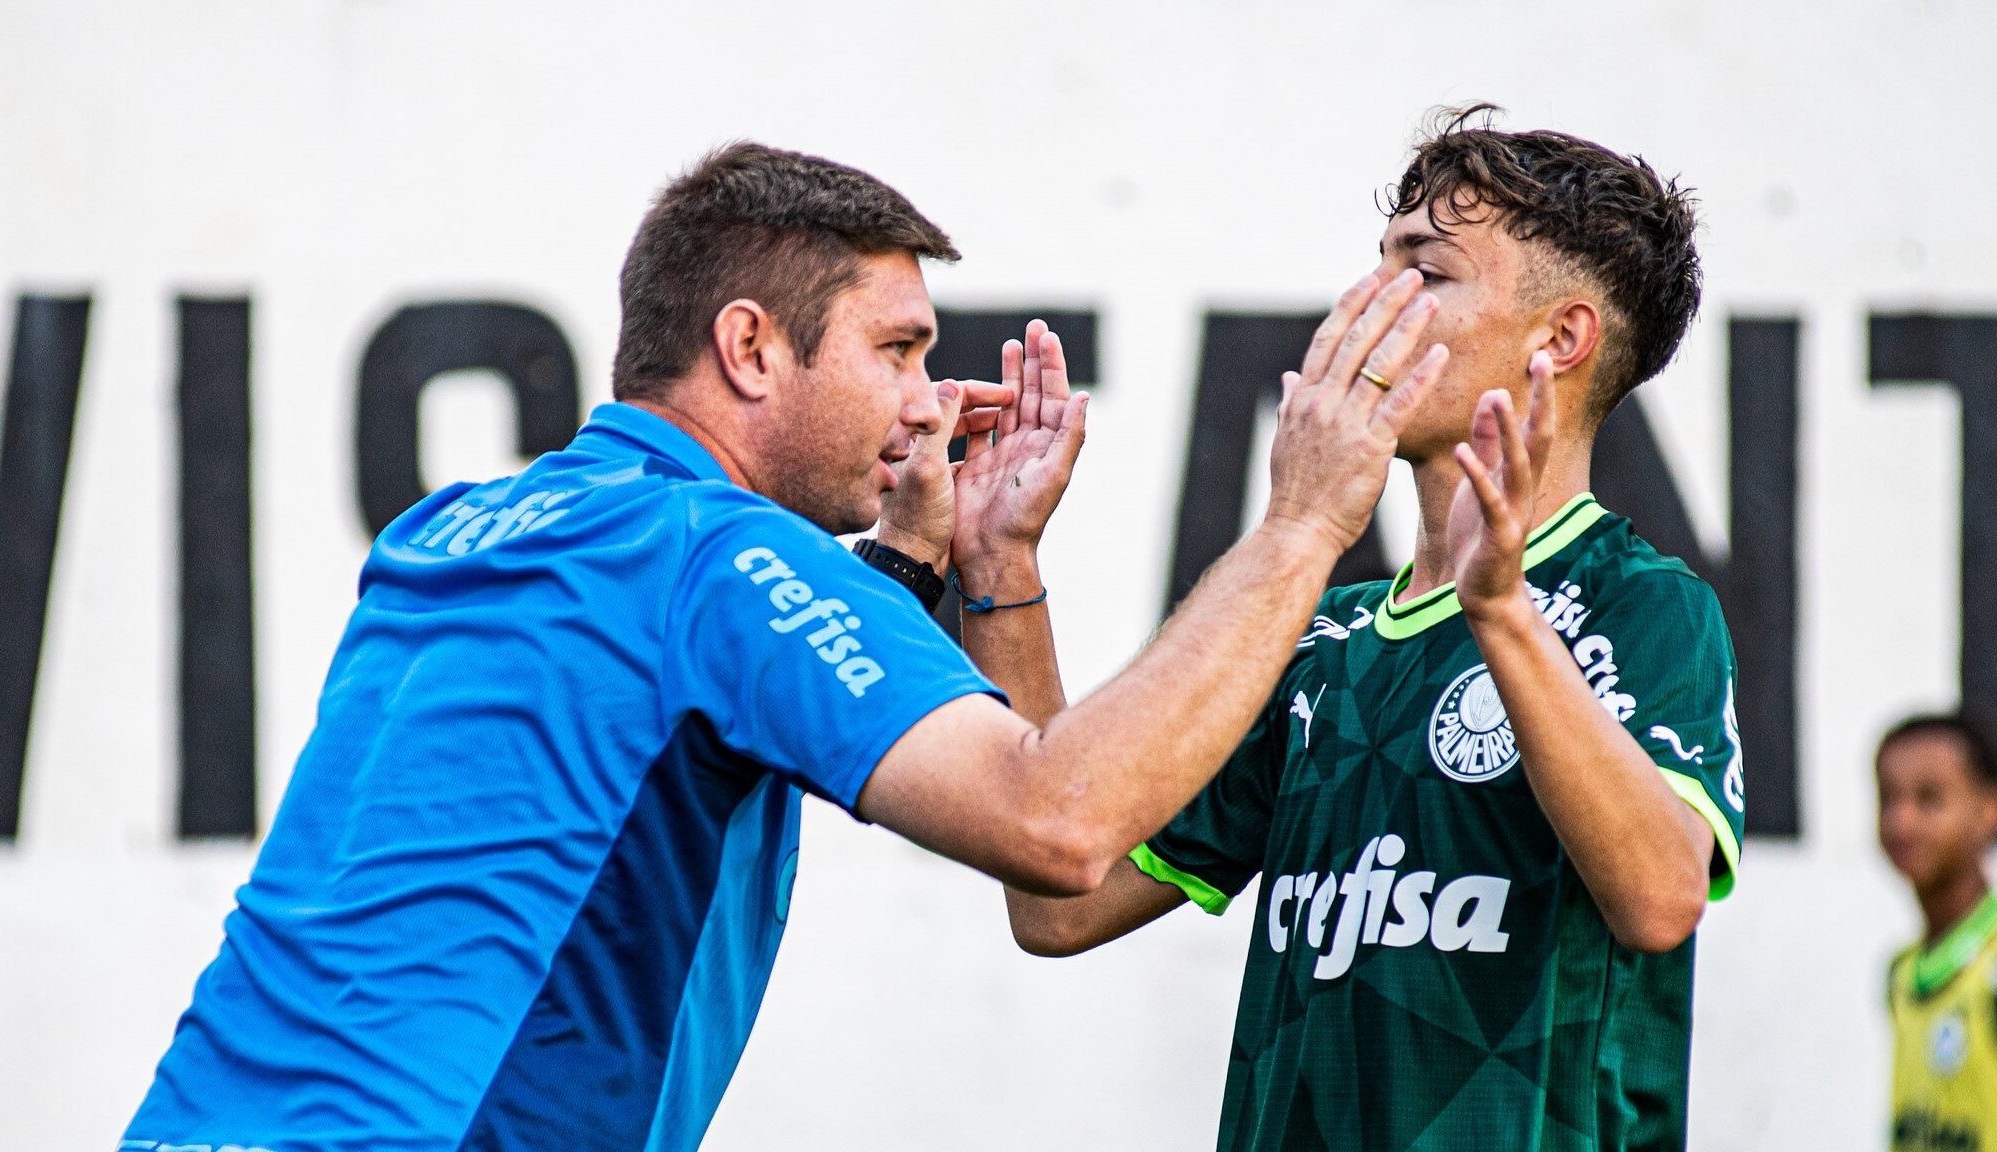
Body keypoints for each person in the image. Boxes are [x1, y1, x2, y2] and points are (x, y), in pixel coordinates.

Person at [121, 143, 1450, 1152]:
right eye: (896, 351)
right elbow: (1056, 827)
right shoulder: (720, 558)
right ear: (751, 348)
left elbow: (677, 720)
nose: (927, 404)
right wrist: (1303, 524)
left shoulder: (458, 527)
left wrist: (928, 561)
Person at [1003, 107, 1742, 1150]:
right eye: (1377, 263)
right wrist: (1002, 570)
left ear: (1560, 338)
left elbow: (1660, 900)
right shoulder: (1322, 640)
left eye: (1424, 272)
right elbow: (1056, 906)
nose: (1366, 304)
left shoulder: (1641, 601)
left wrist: (1499, 613)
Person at [1877, 714, 1997, 1151]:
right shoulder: (1903, 973)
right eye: (1888, 798)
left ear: (1988, 809)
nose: (1901, 821)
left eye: (1929, 799)